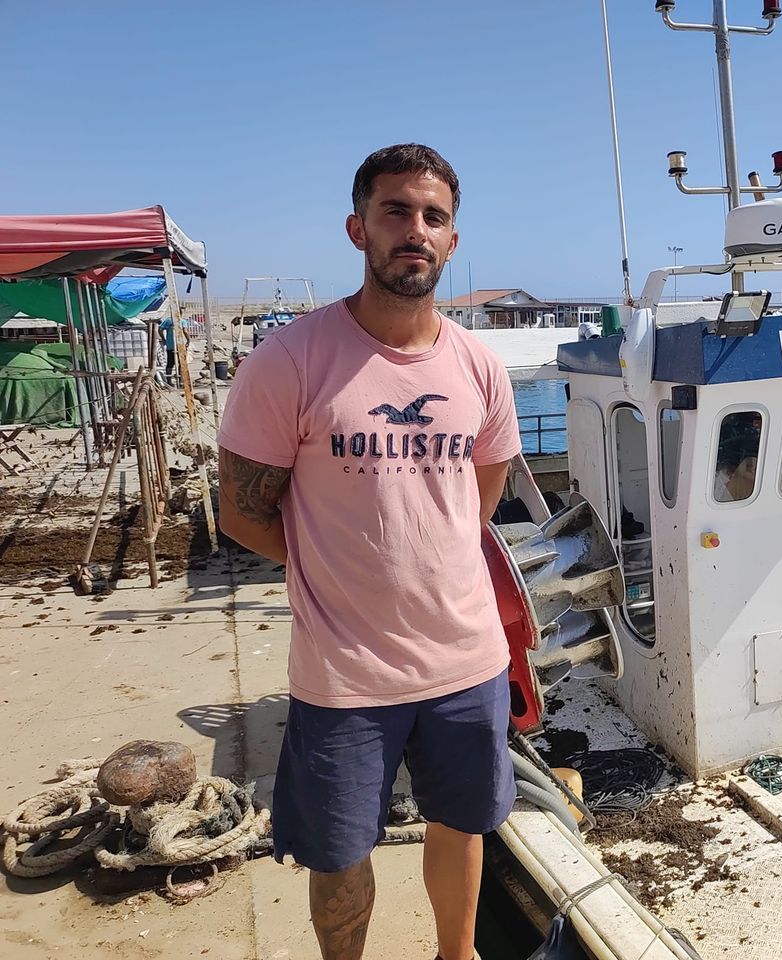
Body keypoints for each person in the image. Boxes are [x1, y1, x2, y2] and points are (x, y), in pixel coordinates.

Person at [216, 143, 522, 960]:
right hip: (344, 673)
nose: (414, 230)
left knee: (461, 825)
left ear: (452, 241)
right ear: (358, 229)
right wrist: (333, 562)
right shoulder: (290, 361)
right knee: (338, 850)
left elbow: (477, 501)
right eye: (395, 211)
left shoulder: (479, 367)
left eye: (434, 217)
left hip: (467, 661)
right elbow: (244, 515)